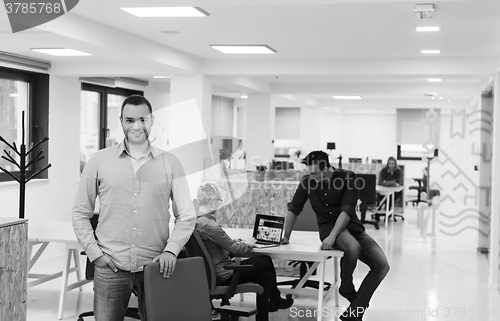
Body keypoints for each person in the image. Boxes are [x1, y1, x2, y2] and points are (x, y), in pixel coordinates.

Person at [72, 95, 196, 321]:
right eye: (130, 120)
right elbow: (80, 212)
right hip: (110, 266)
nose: (136, 126)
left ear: (151, 121)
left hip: (156, 267)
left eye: (142, 120)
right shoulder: (99, 161)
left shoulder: (171, 163)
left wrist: (171, 250)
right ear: (121, 121)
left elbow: (186, 215)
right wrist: (95, 254)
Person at [283, 151, 389, 321]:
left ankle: (353, 312)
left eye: (315, 173)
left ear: (326, 167)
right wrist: (286, 235)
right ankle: (346, 288)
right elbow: (295, 208)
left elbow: (347, 210)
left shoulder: (348, 178)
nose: (311, 177)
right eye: (309, 173)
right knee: (352, 248)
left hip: (351, 227)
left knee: (382, 265)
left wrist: (333, 237)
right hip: (327, 227)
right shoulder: (307, 182)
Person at [195, 182, 293, 321]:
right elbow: (235, 250)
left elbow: (220, 244)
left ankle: (264, 315)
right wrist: (249, 244)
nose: (219, 205)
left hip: (214, 274)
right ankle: (275, 299)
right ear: (211, 202)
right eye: (218, 201)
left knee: (266, 276)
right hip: (226, 274)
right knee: (265, 260)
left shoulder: (197, 222)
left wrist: (236, 242)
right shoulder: (210, 226)